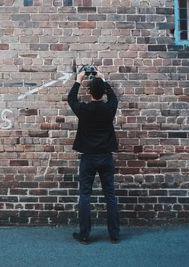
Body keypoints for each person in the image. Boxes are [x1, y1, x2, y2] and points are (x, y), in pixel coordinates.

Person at [67, 68, 120, 244]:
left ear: (88, 92)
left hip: (88, 158)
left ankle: (84, 234)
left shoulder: (84, 110)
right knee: (110, 195)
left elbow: (71, 99)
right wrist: (103, 80)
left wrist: (78, 80)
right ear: (103, 92)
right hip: (105, 157)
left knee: (85, 195)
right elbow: (113, 98)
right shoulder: (109, 108)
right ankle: (114, 234)